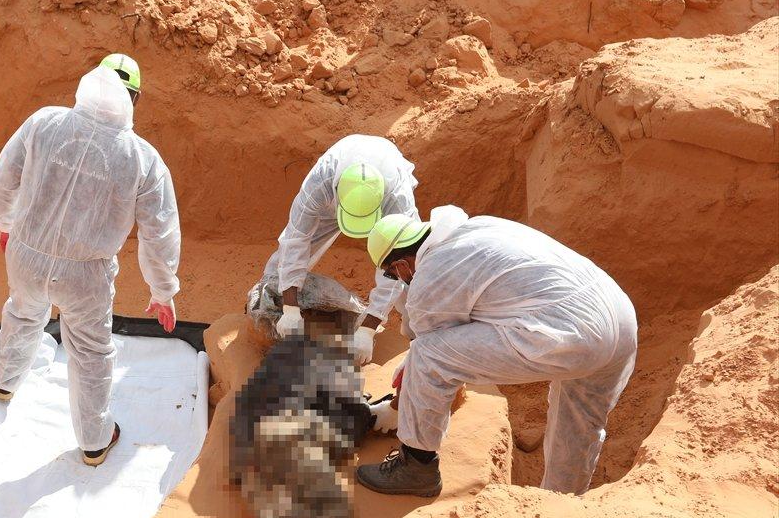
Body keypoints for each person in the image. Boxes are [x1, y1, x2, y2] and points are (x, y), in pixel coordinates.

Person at [355, 206, 637, 497]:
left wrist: (395, 409)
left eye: (393, 274)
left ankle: (416, 467)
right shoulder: (479, 227)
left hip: (573, 334)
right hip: (618, 315)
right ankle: (560, 502)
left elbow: (428, 353)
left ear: (401, 265)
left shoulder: (433, 273)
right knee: (580, 421)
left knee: (428, 355)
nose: (399, 280)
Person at [0, 54, 181, 466]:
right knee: (91, 352)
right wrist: (162, 291)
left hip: (26, 254)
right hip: (85, 275)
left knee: (22, 314)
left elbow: (4, 177)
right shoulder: (142, 158)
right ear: (136, 98)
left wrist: (6, 223)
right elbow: (159, 233)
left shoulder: (44, 122)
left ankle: (5, 384)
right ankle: (94, 442)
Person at [261, 134, 419, 366]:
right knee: (285, 259)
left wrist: (368, 328)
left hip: (384, 202)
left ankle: (416, 331)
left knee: (407, 267)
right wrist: (291, 307)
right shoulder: (320, 183)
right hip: (330, 203)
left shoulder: (397, 199)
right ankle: (271, 307)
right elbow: (296, 240)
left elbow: (398, 267)